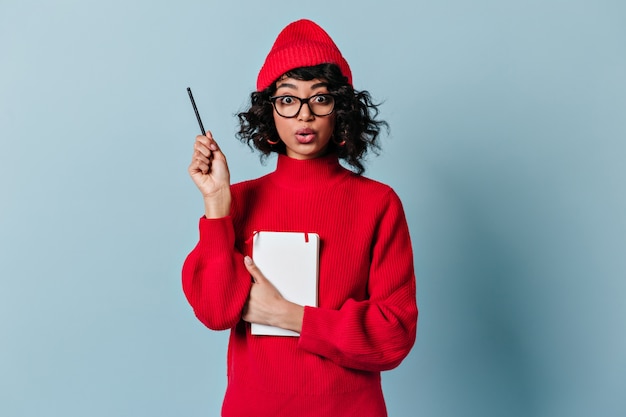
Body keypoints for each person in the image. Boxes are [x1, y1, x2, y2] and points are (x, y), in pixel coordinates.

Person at [182, 19, 418, 417]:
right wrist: (217, 204)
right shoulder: (237, 201)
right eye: (288, 99)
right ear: (269, 112)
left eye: (320, 98)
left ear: (339, 110)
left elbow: (393, 336)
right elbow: (215, 312)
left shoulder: (378, 203)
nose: (304, 115)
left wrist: (287, 315)